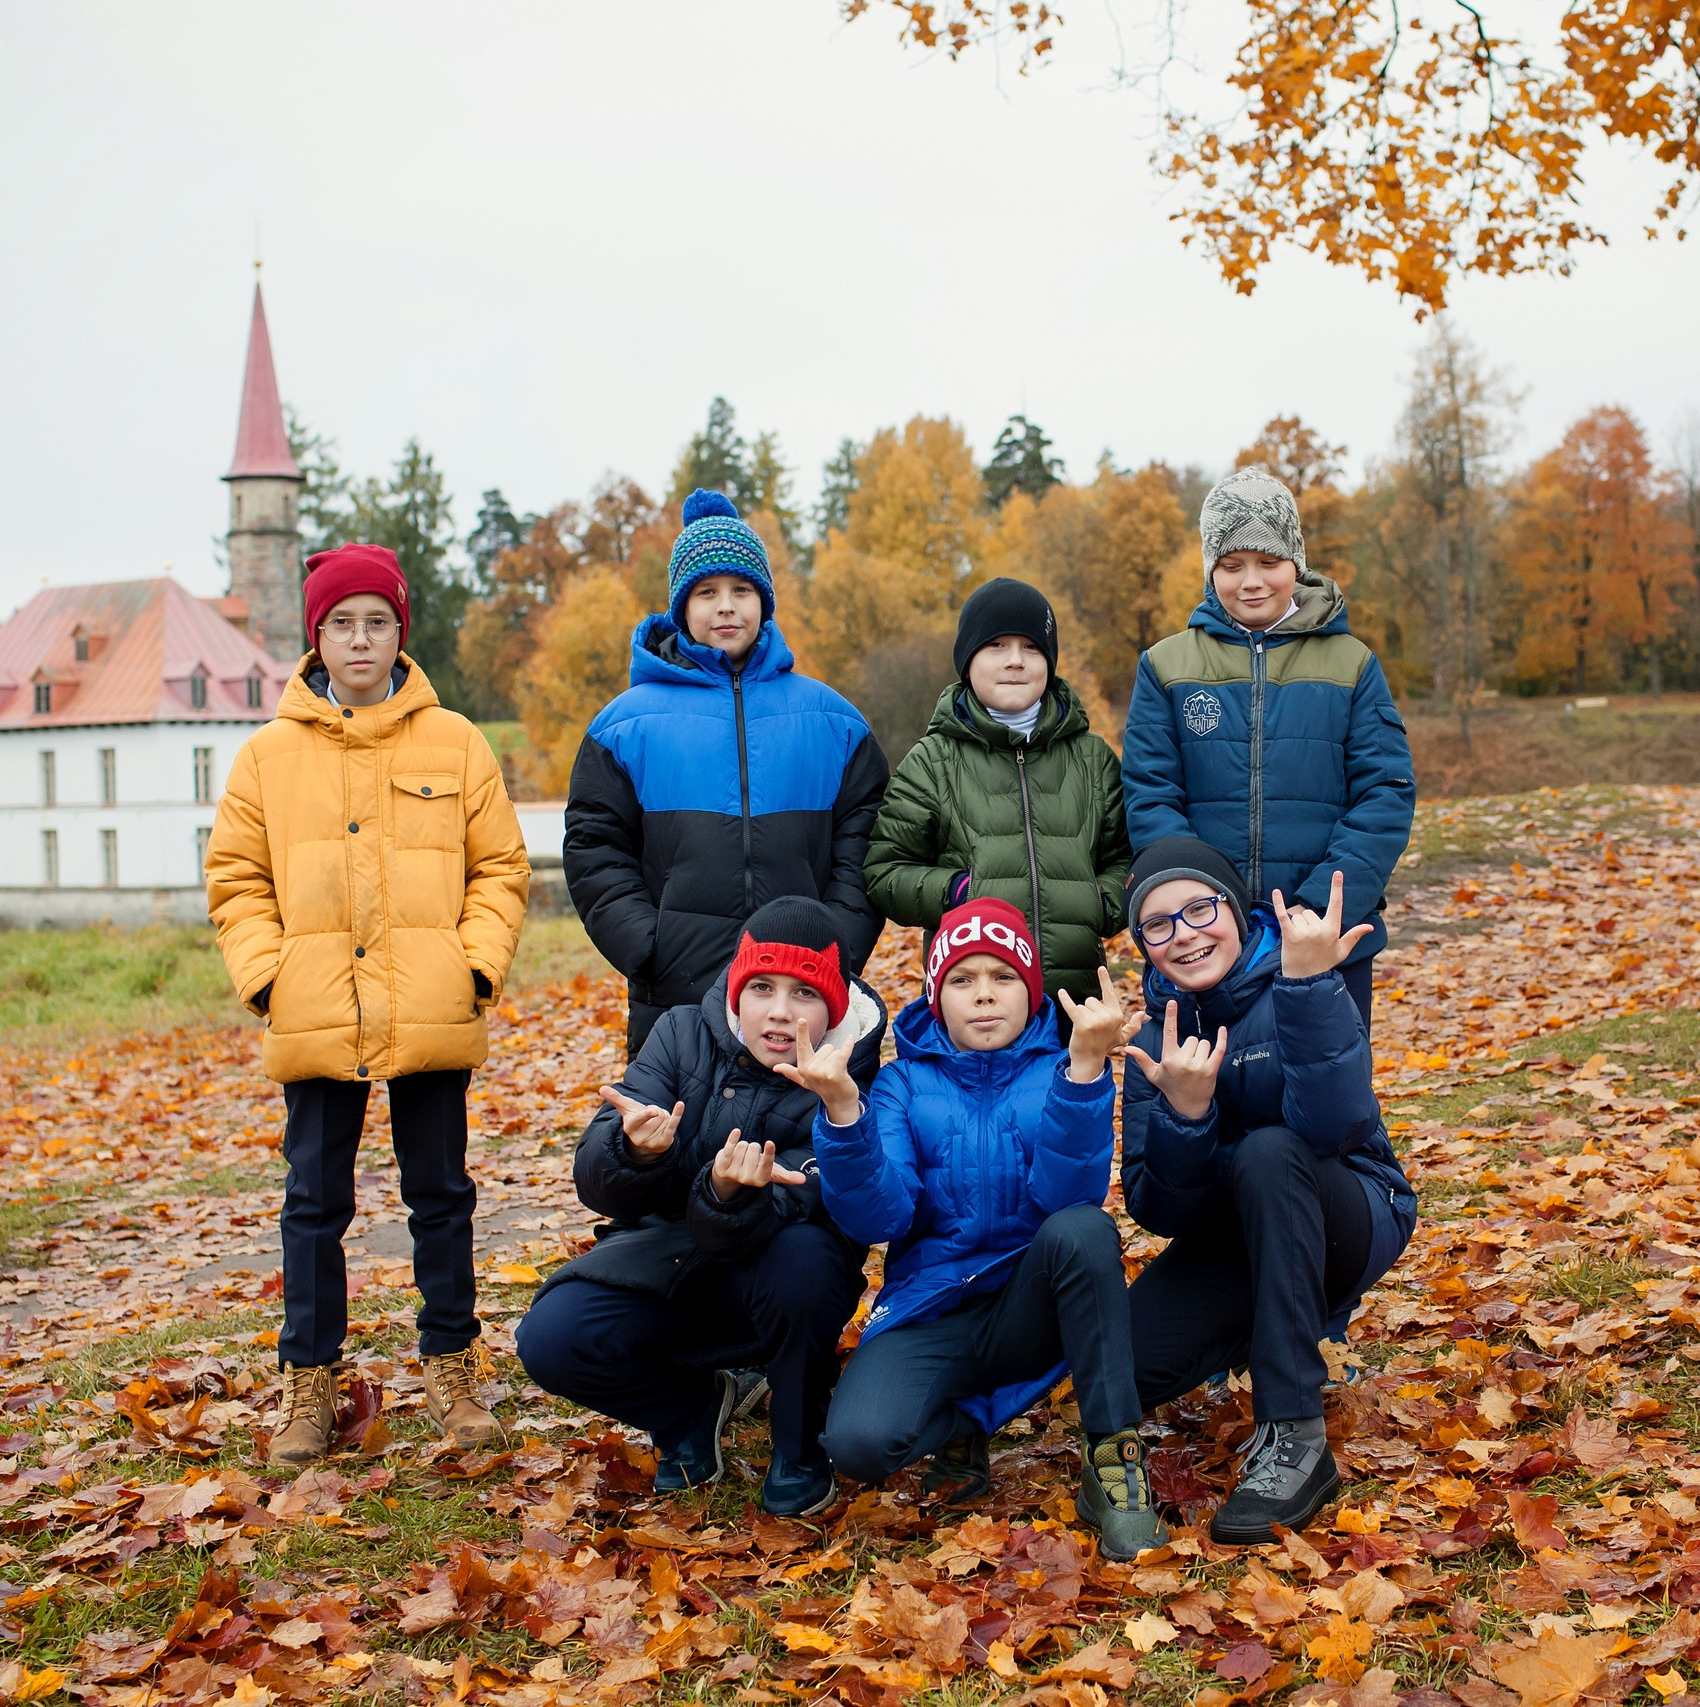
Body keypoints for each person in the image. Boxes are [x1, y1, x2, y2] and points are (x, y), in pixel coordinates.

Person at [206, 543, 533, 1466]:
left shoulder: (456, 741)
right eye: (342, 622)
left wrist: (472, 970)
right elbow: (235, 878)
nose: (361, 639)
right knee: (313, 1201)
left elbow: (501, 867)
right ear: (316, 636)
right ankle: (307, 1387)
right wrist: (269, 977)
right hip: (315, 1008)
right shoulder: (268, 756)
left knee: (442, 1195)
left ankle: (454, 1370)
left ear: (401, 632)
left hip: (430, 1005)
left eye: (377, 621)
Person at [790, 898, 1170, 1561]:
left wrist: (1084, 1069)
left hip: (1032, 1302)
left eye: (1003, 977)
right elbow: (882, 1216)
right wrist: (844, 1111)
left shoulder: (1060, 1068)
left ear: (1030, 989)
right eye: (963, 980)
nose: (985, 995)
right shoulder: (901, 1085)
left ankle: (1115, 1461)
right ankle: (961, 1424)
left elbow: (1068, 1198)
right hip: (931, 1308)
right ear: (937, 995)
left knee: (1084, 1229)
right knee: (858, 1443)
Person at [515, 898, 885, 1517]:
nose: (779, 1011)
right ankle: (689, 1411)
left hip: (783, 1279)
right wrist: (633, 1149)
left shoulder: (850, 1076)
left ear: (834, 1007)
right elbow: (600, 1179)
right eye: (762, 987)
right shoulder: (681, 1032)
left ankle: (798, 1449)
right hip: (670, 1258)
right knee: (552, 1339)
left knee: (806, 1260)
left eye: (804, 994)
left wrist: (731, 1194)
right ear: (738, 990)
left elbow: (828, 1198)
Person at [1117, 837, 1416, 1543]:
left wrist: (1311, 987)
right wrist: (1186, 1116)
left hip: (1350, 1210)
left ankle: (1294, 1434)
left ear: (1237, 910)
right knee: (1123, 1366)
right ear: (1144, 946)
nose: (1184, 934)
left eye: (1199, 908)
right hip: (1239, 1236)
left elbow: (1337, 1126)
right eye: (1158, 925)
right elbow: (1158, 1209)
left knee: (1270, 1149)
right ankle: (1262, 1326)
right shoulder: (1152, 1043)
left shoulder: (1302, 977)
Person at [565, 490, 888, 1055]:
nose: (726, 607)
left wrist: (839, 942)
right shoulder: (625, 725)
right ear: (681, 606)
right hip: (674, 993)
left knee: (805, 1138)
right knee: (673, 1136)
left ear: (764, 601)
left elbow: (867, 841)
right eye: (707, 592)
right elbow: (595, 847)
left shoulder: (832, 720)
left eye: (742, 590)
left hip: (805, 988)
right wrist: (646, 945)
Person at [1121, 467, 1415, 1026]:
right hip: (1203, 943)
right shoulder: (1166, 666)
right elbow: (1149, 794)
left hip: (1324, 940)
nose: (1251, 581)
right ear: (1211, 571)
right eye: (1232, 566)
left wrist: (1319, 909)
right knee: (1206, 1100)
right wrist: (1200, 911)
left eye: (1268, 562)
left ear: (1296, 564)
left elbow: (1385, 793)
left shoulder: (1351, 663)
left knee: (1326, 1096)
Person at [863, 578, 1131, 1004]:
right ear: (968, 661)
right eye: (996, 646)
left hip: (1075, 1002)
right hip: (972, 1004)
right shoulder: (932, 762)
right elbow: (885, 872)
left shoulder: (1093, 759)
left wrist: (1100, 903)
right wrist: (958, 893)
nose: (1015, 661)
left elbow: (1123, 859)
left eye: (1030, 647)